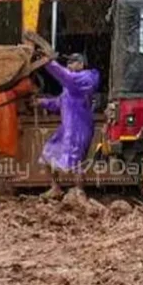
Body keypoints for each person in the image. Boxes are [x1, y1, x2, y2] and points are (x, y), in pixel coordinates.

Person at [36, 52, 99, 199]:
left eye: (73, 62)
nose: (69, 65)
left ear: (81, 64)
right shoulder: (70, 85)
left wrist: (49, 63)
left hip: (79, 128)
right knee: (48, 154)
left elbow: (66, 77)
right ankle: (55, 188)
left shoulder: (85, 78)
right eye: (68, 63)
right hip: (67, 127)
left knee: (75, 161)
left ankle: (79, 192)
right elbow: (60, 103)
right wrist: (42, 102)